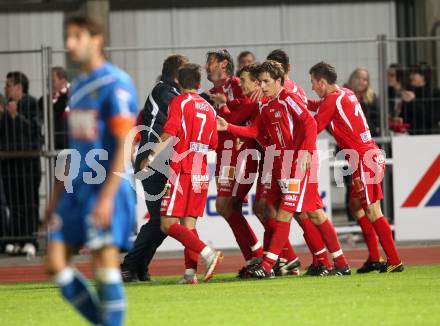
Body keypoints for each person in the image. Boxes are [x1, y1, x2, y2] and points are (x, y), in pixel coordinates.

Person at [218, 60, 351, 278]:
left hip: (298, 162)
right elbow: (254, 130)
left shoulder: (289, 98)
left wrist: (306, 152)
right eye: (260, 81)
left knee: (285, 212)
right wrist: (229, 127)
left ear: (279, 81)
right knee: (314, 214)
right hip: (284, 164)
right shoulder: (266, 105)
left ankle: (268, 266)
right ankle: (341, 263)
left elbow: (309, 122)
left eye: (266, 81)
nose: (262, 86)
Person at [45, 16, 137, 326]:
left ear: (96, 39)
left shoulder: (116, 83)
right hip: (77, 188)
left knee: (104, 263)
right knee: (55, 262)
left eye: (77, 36)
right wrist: (57, 195)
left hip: (105, 187)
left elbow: (126, 142)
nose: (69, 43)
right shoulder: (79, 87)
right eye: (67, 37)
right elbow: (75, 146)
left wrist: (108, 197)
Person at [308, 61, 403, 273]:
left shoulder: (332, 100)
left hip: (364, 159)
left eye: (313, 82)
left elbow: (313, 127)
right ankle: (375, 257)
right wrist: (301, 101)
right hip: (367, 155)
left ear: (322, 82)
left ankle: (394, 260)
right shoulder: (345, 93)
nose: (312, 87)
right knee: (356, 205)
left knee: (372, 210)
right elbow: (321, 106)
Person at [143, 63, 223, 283]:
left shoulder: (179, 102)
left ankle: (208, 254)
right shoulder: (209, 108)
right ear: (199, 84)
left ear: (178, 81)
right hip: (200, 172)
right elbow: (214, 143)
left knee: (167, 224)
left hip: (181, 170)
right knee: (189, 225)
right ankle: (190, 274)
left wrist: (149, 158)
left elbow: (169, 133)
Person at [120, 54, 188, 283]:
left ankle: (138, 267)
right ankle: (130, 266)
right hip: (151, 158)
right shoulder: (166, 92)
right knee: (161, 219)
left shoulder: (167, 92)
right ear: (178, 74)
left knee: (161, 220)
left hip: (156, 158)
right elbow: (182, 114)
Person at [206, 49, 264, 271]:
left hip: (239, 154)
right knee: (228, 207)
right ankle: (256, 257)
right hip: (223, 155)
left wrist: (223, 105)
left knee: (229, 205)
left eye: (210, 62)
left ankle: (267, 257)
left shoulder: (239, 84)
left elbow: (244, 114)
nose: (206, 66)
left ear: (223, 64)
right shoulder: (211, 92)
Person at [0, 71, 42, 256]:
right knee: (13, 202)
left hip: (28, 161)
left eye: (8, 85)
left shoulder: (32, 103)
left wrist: (16, 116)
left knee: (28, 202)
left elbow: (35, 130)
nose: (5, 88)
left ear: (19, 87)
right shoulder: (4, 106)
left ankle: (29, 239)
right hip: (10, 161)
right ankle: (15, 238)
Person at [402, 63, 440, 134]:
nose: (411, 76)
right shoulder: (410, 92)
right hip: (411, 136)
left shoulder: (435, 93)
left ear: (423, 76)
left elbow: (432, 118)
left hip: (430, 136)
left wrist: (413, 101)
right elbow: (405, 118)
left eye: (414, 74)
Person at [38, 66, 70, 150]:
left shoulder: (75, 96)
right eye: (48, 81)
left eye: (52, 81)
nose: (49, 84)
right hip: (55, 146)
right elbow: (50, 115)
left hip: (73, 145)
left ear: (63, 81)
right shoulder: (44, 100)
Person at [346, 67, 380, 137]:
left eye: (365, 79)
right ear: (351, 79)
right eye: (358, 78)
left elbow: (377, 120)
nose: (361, 81)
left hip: (368, 139)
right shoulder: (341, 96)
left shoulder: (372, 98)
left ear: (368, 83)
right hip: (346, 140)